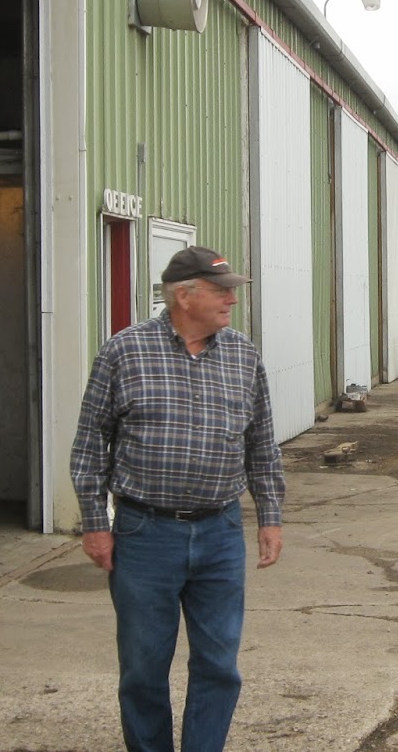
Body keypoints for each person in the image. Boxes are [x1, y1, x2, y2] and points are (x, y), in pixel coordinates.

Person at [70, 244, 286, 752]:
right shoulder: (123, 352)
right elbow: (89, 442)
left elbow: (261, 443)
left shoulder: (243, 354)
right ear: (184, 296)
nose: (231, 301)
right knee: (143, 667)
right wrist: (94, 523)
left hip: (221, 532)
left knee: (218, 664)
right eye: (221, 291)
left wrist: (270, 517)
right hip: (146, 534)